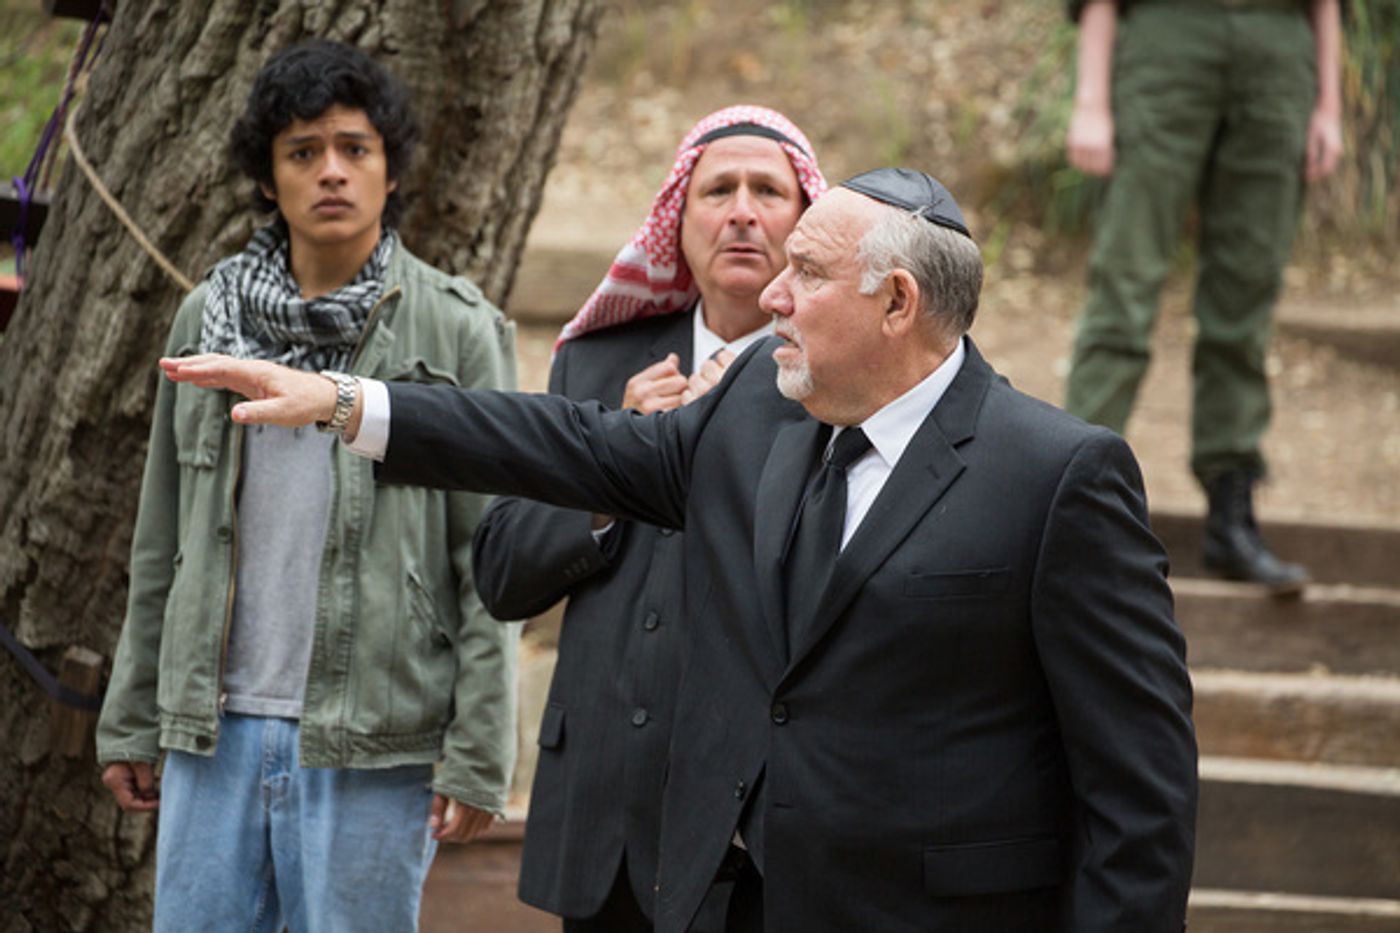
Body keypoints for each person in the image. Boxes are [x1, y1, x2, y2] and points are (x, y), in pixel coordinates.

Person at [161, 167, 1198, 933]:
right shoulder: (755, 406)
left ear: (896, 304)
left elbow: (1138, 791)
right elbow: (571, 443)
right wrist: (352, 402)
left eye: (805, 273)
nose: (773, 299)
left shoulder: (1060, 475)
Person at [95, 40, 519, 932]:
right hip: (212, 732)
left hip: (373, 740)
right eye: (303, 151)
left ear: (390, 169)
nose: (332, 171)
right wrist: (135, 717)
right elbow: (162, 535)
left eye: (355, 148)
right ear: (267, 176)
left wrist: (479, 746)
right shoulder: (205, 317)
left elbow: (490, 554)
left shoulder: (456, 329)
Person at [471, 106, 826, 931]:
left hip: (753, 832)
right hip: (600, 821)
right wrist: (611, 468)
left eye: (769, 190)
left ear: (807, 222)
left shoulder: (831, 377)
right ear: (678, 220)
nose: (742, 209)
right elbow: (499, 572)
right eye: (718, 189)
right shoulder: (597, 362)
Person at [1062, 0, 1343, 592]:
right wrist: (1090, 101)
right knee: (1125, 284)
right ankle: (1066, 506)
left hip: (1279, 50)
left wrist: (1329, 106)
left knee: (1247, 295)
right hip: (1168, 39)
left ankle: (1230, 515)